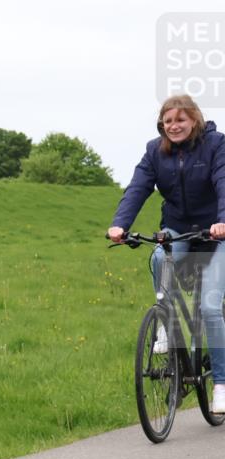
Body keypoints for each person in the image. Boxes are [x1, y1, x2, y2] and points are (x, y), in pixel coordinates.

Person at [107, 95, 225, 413]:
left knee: (209, 307)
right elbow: (137, 188)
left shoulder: (216, 144)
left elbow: (223, 181)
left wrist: (223, 221)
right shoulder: (154, 151)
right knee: (159, 256)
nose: (173, 126)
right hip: (178, 227)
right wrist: (120, 225)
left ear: (194, 120)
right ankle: (166, 323)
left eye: (180, 120)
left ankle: (221, 384)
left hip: (217, 231)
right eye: (167, 121)